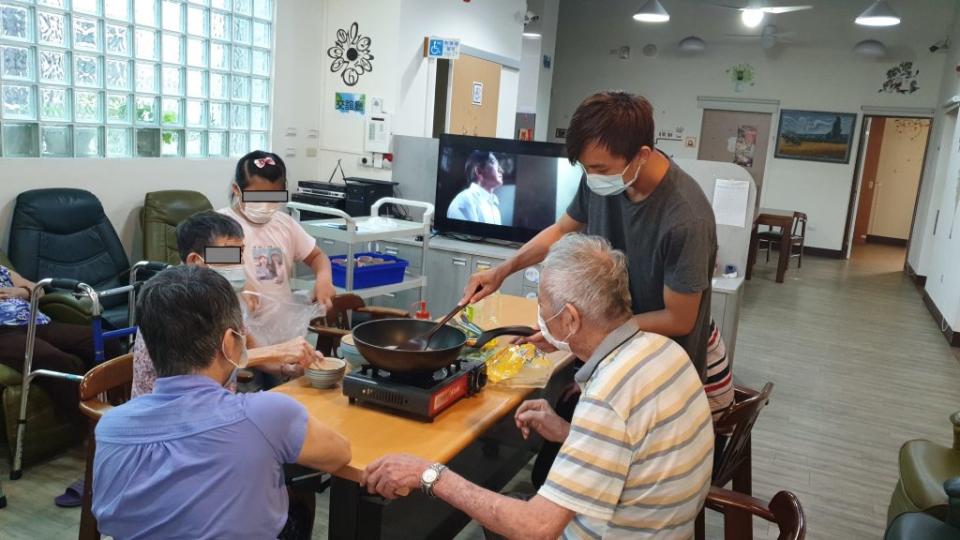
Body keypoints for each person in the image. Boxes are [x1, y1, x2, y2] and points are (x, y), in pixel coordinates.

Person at [362, 235, 714, 539]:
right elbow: (634, 449)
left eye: (543, 306)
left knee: (502, 508)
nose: (539, 316)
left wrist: (429, 473)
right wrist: (568, 432)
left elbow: (536, 528)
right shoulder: (664, 351)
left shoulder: (609, 394)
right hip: (663, 529)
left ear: (571, 319)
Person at [462, 92, 717, 378]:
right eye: (585, 168)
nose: (591, 175)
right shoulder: (604, 178)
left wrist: (582, 333)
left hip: (659, 370)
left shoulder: (685, 219)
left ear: (641, 155)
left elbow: (678, 319)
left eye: (598, 168)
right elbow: (560, 231)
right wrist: (503, 270)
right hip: (609, 358)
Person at [93, 265, 351, 539]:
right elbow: (340, 454)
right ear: (230, 342)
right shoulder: (268, 415)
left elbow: (110, 521)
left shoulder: (110, 428)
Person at [131, 211, 316, 397]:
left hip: (215, 406)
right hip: (170, 415)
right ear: (195, 261)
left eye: (241, 254)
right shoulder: (168, 303)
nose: (240, 264)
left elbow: (249, 348)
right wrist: (277, 351)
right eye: (230, 254)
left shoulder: (222, 295)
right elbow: (203, 369)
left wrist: (288, 367)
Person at [220, 151, 336, 320]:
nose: (265, 204)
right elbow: (209, 262)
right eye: (257, 197)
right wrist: (241, 283)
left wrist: (324, 279)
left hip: (280, 325)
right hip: (239, 329)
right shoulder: (222, 225)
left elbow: (317, 256)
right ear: (236, 190)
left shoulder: (284, 224)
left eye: (273, 197)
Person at [0, 264, 120, 424]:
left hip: (39, 323)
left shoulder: (2, 270)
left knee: (105, 339)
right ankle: (90, 425)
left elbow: (39, 290)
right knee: (52, 359)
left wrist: (21, 291)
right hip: (4, 333)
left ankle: (117, 410)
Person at [446, 150, 504, 225]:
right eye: (493, 162)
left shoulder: (495, 208)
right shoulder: (463, 202)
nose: (501, 170)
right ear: (479, 171)